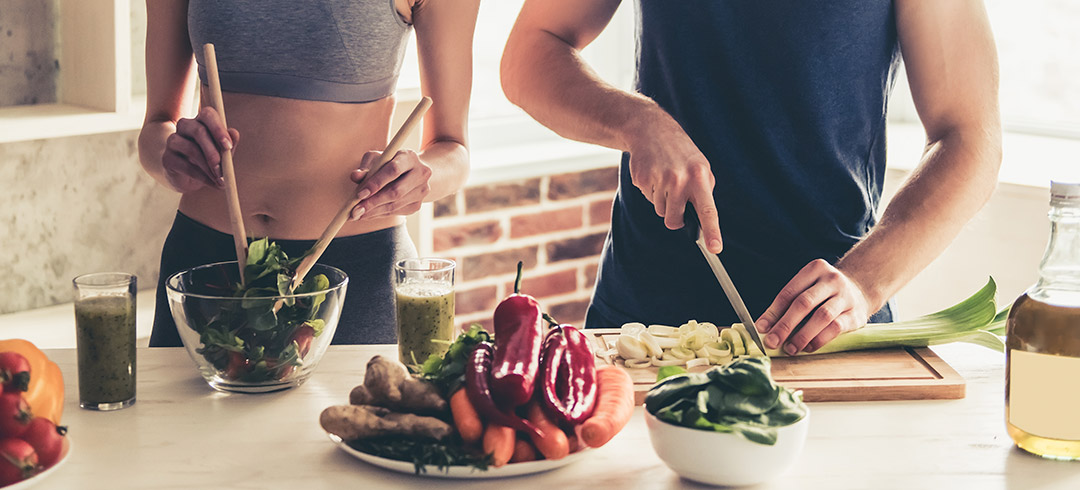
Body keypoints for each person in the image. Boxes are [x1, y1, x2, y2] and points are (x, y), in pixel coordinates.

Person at [501, 1, 1001, 354]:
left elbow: (969, 139)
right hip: (643, 324)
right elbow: (530, 53)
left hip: (825, 331)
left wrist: (864, 282)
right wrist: (635, 119)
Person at [139, 0, 480, 346]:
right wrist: (171, 158)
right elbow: (156, 128)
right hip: (205, 265)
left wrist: (420, 178)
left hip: (355, 272)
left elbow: (453, 148)